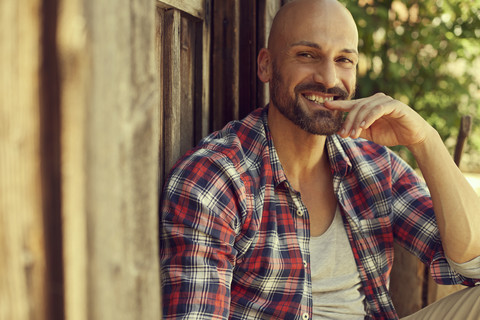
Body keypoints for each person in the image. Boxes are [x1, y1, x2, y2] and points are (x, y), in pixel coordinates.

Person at [159, 0, 480, 319]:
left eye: (344, 60)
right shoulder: (216, 177)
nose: (328, 78)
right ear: (266, 66)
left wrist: (424, 140)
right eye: (307, 55)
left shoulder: (374, 166)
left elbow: (473, 265)